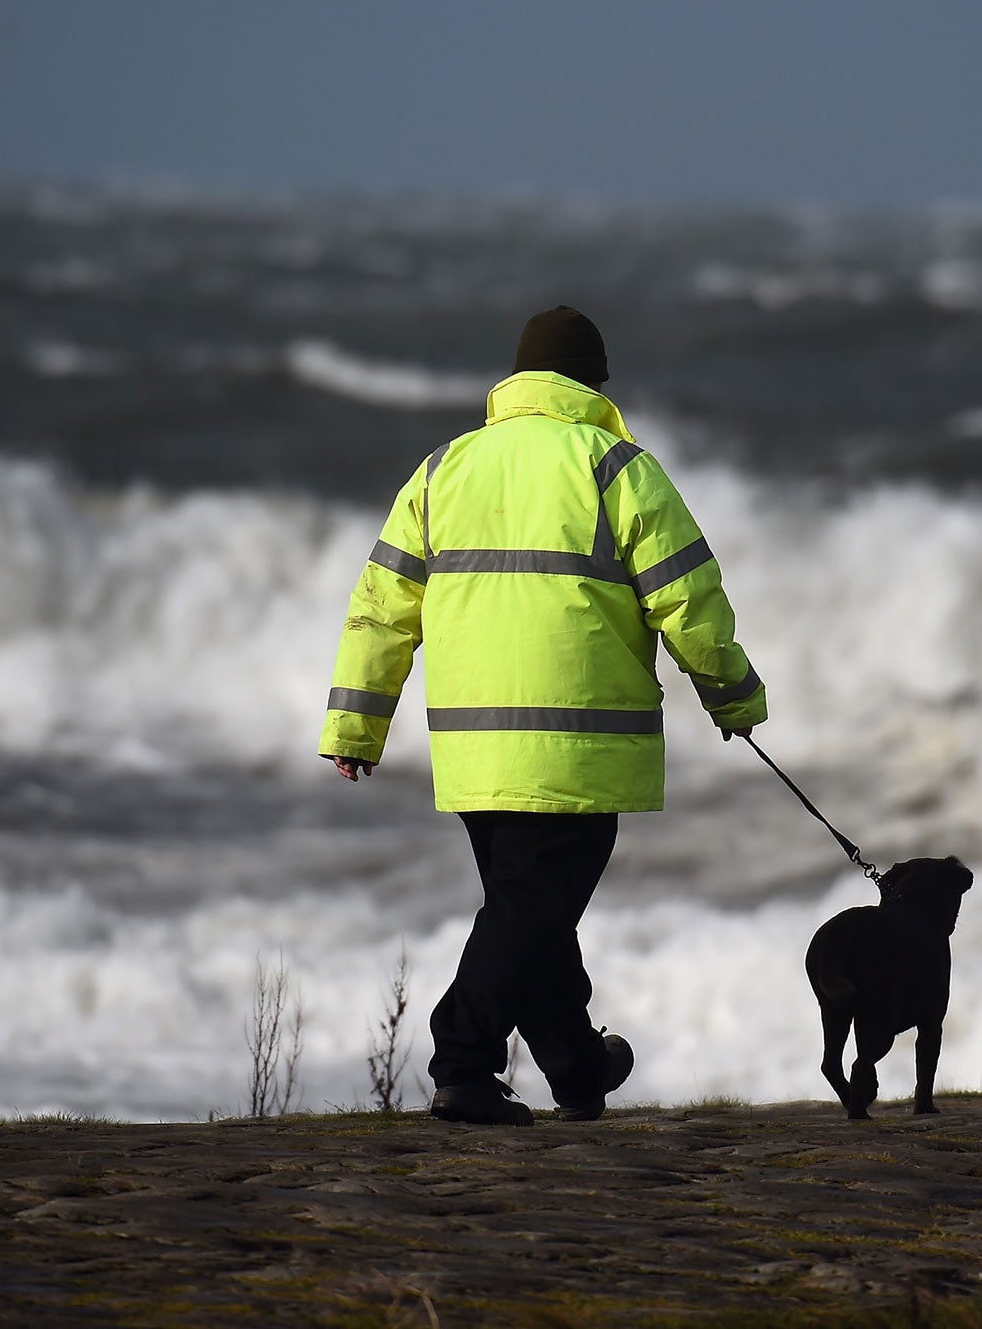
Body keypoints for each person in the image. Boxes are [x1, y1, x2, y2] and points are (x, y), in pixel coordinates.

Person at [319, 306, 767, 1125]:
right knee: (530, 909)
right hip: (575, 746)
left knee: (532, 909)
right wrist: (732, 694)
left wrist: (357, 724)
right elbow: (689, 598)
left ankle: (575, 1066)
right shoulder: (614, 466)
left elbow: (381, 607)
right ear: (592, 383)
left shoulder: (441, 469)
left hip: (472, 746)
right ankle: (461, 1062)